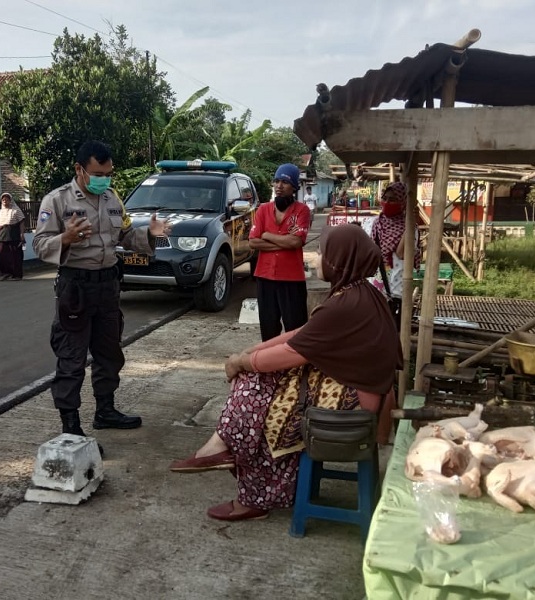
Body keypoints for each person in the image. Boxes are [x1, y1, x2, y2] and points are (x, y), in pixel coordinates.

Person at [169, 224, 401, 521]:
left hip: (356, 402)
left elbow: (295, 351)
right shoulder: (356, 293)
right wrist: (253, 351)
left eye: (323, 253)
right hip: (358, 389)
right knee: (261, 385)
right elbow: (302, 334)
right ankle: (224, 449)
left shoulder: (347, 303)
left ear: (340, 260)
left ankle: (246, 482)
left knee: (263, 405)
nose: (316, 258)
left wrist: (243, 362)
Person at [33, 140, 171, 440]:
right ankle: (70, 426)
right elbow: (39, 245)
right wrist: (66, 238)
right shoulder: (56, 201)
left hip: (108, 286)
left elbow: (125, 236)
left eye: (109, 173)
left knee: (110, 354)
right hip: (76, 289)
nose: (104, 179)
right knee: (71, 359)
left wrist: (150, 234)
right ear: (79, 169)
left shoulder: (111, 198)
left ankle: (105, 411)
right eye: (99, 173)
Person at [249, 163, 310, 341]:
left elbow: (296, 241)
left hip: (292, 278)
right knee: (268, 327)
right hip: (265, 276)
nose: (279, 186)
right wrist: (285, 242)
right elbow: (253, 242)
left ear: (294, 187)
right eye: (276, 181)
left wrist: (266, 235)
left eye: (284, 182)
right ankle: (270, 367)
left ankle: (295, 368)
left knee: (295, 328)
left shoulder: (302, 211)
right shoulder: (263, 210)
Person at [370, 181, 421, 326]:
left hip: (396, 293)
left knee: (392, 336)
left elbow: (401, 253)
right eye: (385, 198)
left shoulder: (411, 228)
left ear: (403, 202)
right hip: (375, 290)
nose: (387, 202)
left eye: (392, 199)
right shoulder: (375, 223)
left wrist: (410, 223)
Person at [0, 192, 26, 281]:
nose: (5, 201)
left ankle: (16, 275)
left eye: (7, 200)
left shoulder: (16, 210)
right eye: (3, 200)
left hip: (13, 233)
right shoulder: (1, 211)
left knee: (15, 254)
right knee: (2, 255)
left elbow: (22, 222)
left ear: (10, 200)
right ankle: (5, 273)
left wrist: (21, 234)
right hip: (2, 234)